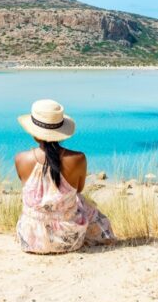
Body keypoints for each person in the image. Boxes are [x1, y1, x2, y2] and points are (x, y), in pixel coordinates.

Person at [14, 99, 116, 253]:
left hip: (30, 239)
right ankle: (105, 235)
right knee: (82, 202)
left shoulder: (21, 159)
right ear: (61, 133)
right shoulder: (78, 159)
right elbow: (79, 189)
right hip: (69, 240)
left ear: (34, 133)